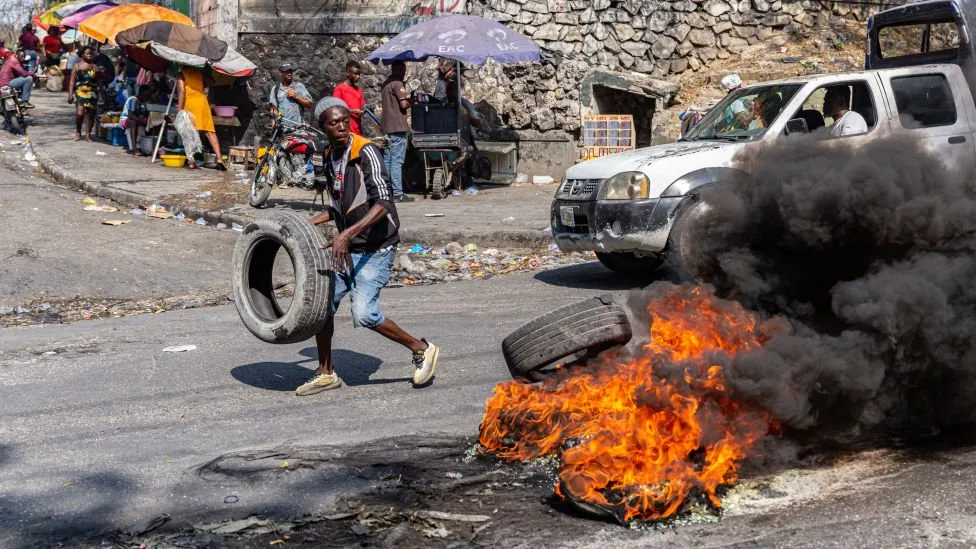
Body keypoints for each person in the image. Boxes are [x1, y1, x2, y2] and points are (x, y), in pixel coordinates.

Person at [296, 96, 440, 396]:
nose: (341, 127)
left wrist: (346, 234)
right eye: (333, 123)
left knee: (364, 314)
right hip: (347, 246)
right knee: (322, 306)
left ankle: (422, 348)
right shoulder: (327, 154)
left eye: (344, 120)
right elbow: (341, 203)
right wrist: (310, 223)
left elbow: (384, 203)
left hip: (376, 246)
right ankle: (325, 372)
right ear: (323, 127)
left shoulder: (366, 151)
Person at [177, 67, 226, 170]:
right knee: (210, 132)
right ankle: (219, 159)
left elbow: (182, 91)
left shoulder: (181, 74)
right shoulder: (199, 72)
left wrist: (179, 109)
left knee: (189, 134)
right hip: (203, 103)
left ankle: (191, 162)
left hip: (190, 104)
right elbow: (211, 82)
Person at [380, 60, 413, 202]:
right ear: (399, 69)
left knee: (387, 160)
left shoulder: (386, 84)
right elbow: (404, 104)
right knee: (397, 161)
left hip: (387, 128)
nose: (404, 72)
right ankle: (398, 193)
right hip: (398, 127)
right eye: (403, 69)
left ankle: (387, 191)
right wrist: (412, 100)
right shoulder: (398, 84)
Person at [68, 46, 99, 141]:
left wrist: (102, 93)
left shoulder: (94, 66)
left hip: (93, 92)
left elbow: (99, 81)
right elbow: (72, 81)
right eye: (87, 53)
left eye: (91, 53)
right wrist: (70, 94)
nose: (89, 55)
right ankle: (78, 131)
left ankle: (88, 134)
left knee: (91, 114)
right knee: (80, 113)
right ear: (82, 54)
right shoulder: (77, 66)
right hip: (81, 91)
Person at [333, 60, 365, 135]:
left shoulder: (359, 90)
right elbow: (336, 110)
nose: (358, 77)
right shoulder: (340, 89)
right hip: (345, 130)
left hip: (357, 129)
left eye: (359, 74)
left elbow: (362, 107)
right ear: (347, 73)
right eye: (355, 74)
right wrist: (353, 111)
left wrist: (363, 111)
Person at [120, 85, 152, 155]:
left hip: (138, 120)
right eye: (147, 94)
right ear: (142, 93)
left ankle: (147, 147)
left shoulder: (145, 102)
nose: (149, 96)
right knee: (133, 122)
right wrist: (142, 120)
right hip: (125, 120)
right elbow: (130, 115)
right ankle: (134, 148)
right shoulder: (133, 99)